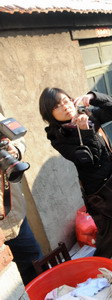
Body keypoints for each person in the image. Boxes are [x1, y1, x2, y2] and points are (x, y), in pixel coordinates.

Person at [39, 88, 112, 273]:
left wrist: (93, 97)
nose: (65, 107)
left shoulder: (87, 116)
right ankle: (100, 269)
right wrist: (86, 132)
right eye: (57, 106)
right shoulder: (58, 137)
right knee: (107, 236)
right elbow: (88, 160)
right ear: (49, 114)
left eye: (66, 101)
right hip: (98, 192)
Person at [0, 113, 43, 285]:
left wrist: (14, 150)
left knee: (35, 265)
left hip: (15, 215)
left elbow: (16, 136)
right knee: (9, 284)